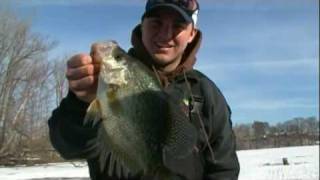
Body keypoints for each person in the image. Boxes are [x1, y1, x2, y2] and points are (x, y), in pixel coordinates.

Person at [48, 0, 240, 179]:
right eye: (156, 23)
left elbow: (224, 169)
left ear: (192, 34)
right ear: (143, 26)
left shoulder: (207, 93)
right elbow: (68, 145)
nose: (165, 34)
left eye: (178, 26)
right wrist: (80, 103)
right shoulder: (104, 80)